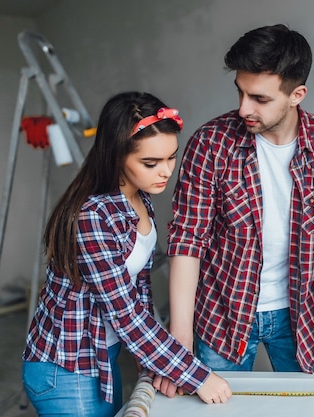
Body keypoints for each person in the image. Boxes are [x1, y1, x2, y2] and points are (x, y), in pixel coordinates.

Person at [158, 24, 314, 398]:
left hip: (300, 319)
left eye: (259, 98)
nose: (244, 108)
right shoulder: (211, 143)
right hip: (222, 314)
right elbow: (187, 241)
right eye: (240, 93)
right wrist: (179, 340)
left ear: (297, 95)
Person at [22, 92, 232, 417]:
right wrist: (196, 375)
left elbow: (138, 291)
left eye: (171, 158)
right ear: (118, 156)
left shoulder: (138, 199)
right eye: (150, 163)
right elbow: (125, 313)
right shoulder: (93, 216)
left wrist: (152, 358)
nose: (165, 172)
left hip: (103, 356)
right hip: (65, 366)